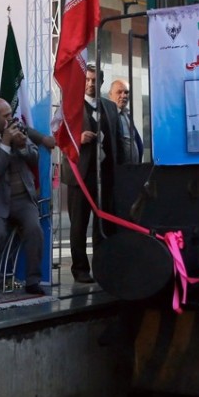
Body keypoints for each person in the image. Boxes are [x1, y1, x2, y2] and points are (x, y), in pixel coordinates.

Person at [60, 64, 119, 283]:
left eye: (95, 80)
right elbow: (59, 138)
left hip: (106, 175)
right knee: (78, 225)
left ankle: (102, 267)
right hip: (80, 176)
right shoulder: (70, 107)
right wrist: (77, 139)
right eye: (87, 80)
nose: (91, 83)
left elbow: (117, 140)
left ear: (101, 82)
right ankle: (80, 269)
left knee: (104, 225)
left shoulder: (110, 107)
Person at [0, 98, 45, 295]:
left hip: (22, 198)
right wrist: (6, 143)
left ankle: (33, 281)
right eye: (6, 116)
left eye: (11, 114)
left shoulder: (19, 130)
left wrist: (21, 145)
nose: (11, 119)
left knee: (35, 229)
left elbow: (35, 157)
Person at [108, 78, 143, 164]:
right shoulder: (106, 116)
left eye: (126, 92)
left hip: (134, 169)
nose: (123, 96)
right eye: (119, 92)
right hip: (117, 170)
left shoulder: (127, 115)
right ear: (110, 94)